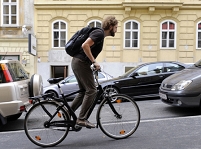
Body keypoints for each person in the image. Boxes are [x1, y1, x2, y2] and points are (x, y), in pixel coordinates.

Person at [70, 16, 118, 128]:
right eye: (116, 27)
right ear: (110, 27)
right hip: (81, 62)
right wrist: (94, 61)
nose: (116, 30)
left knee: (83, 91)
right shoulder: (99, 33)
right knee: (92, 91)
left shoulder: (100, 34)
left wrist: (92, 64)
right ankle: (81, 119)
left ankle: (68, 113)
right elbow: (85, 45)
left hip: (78, 62)